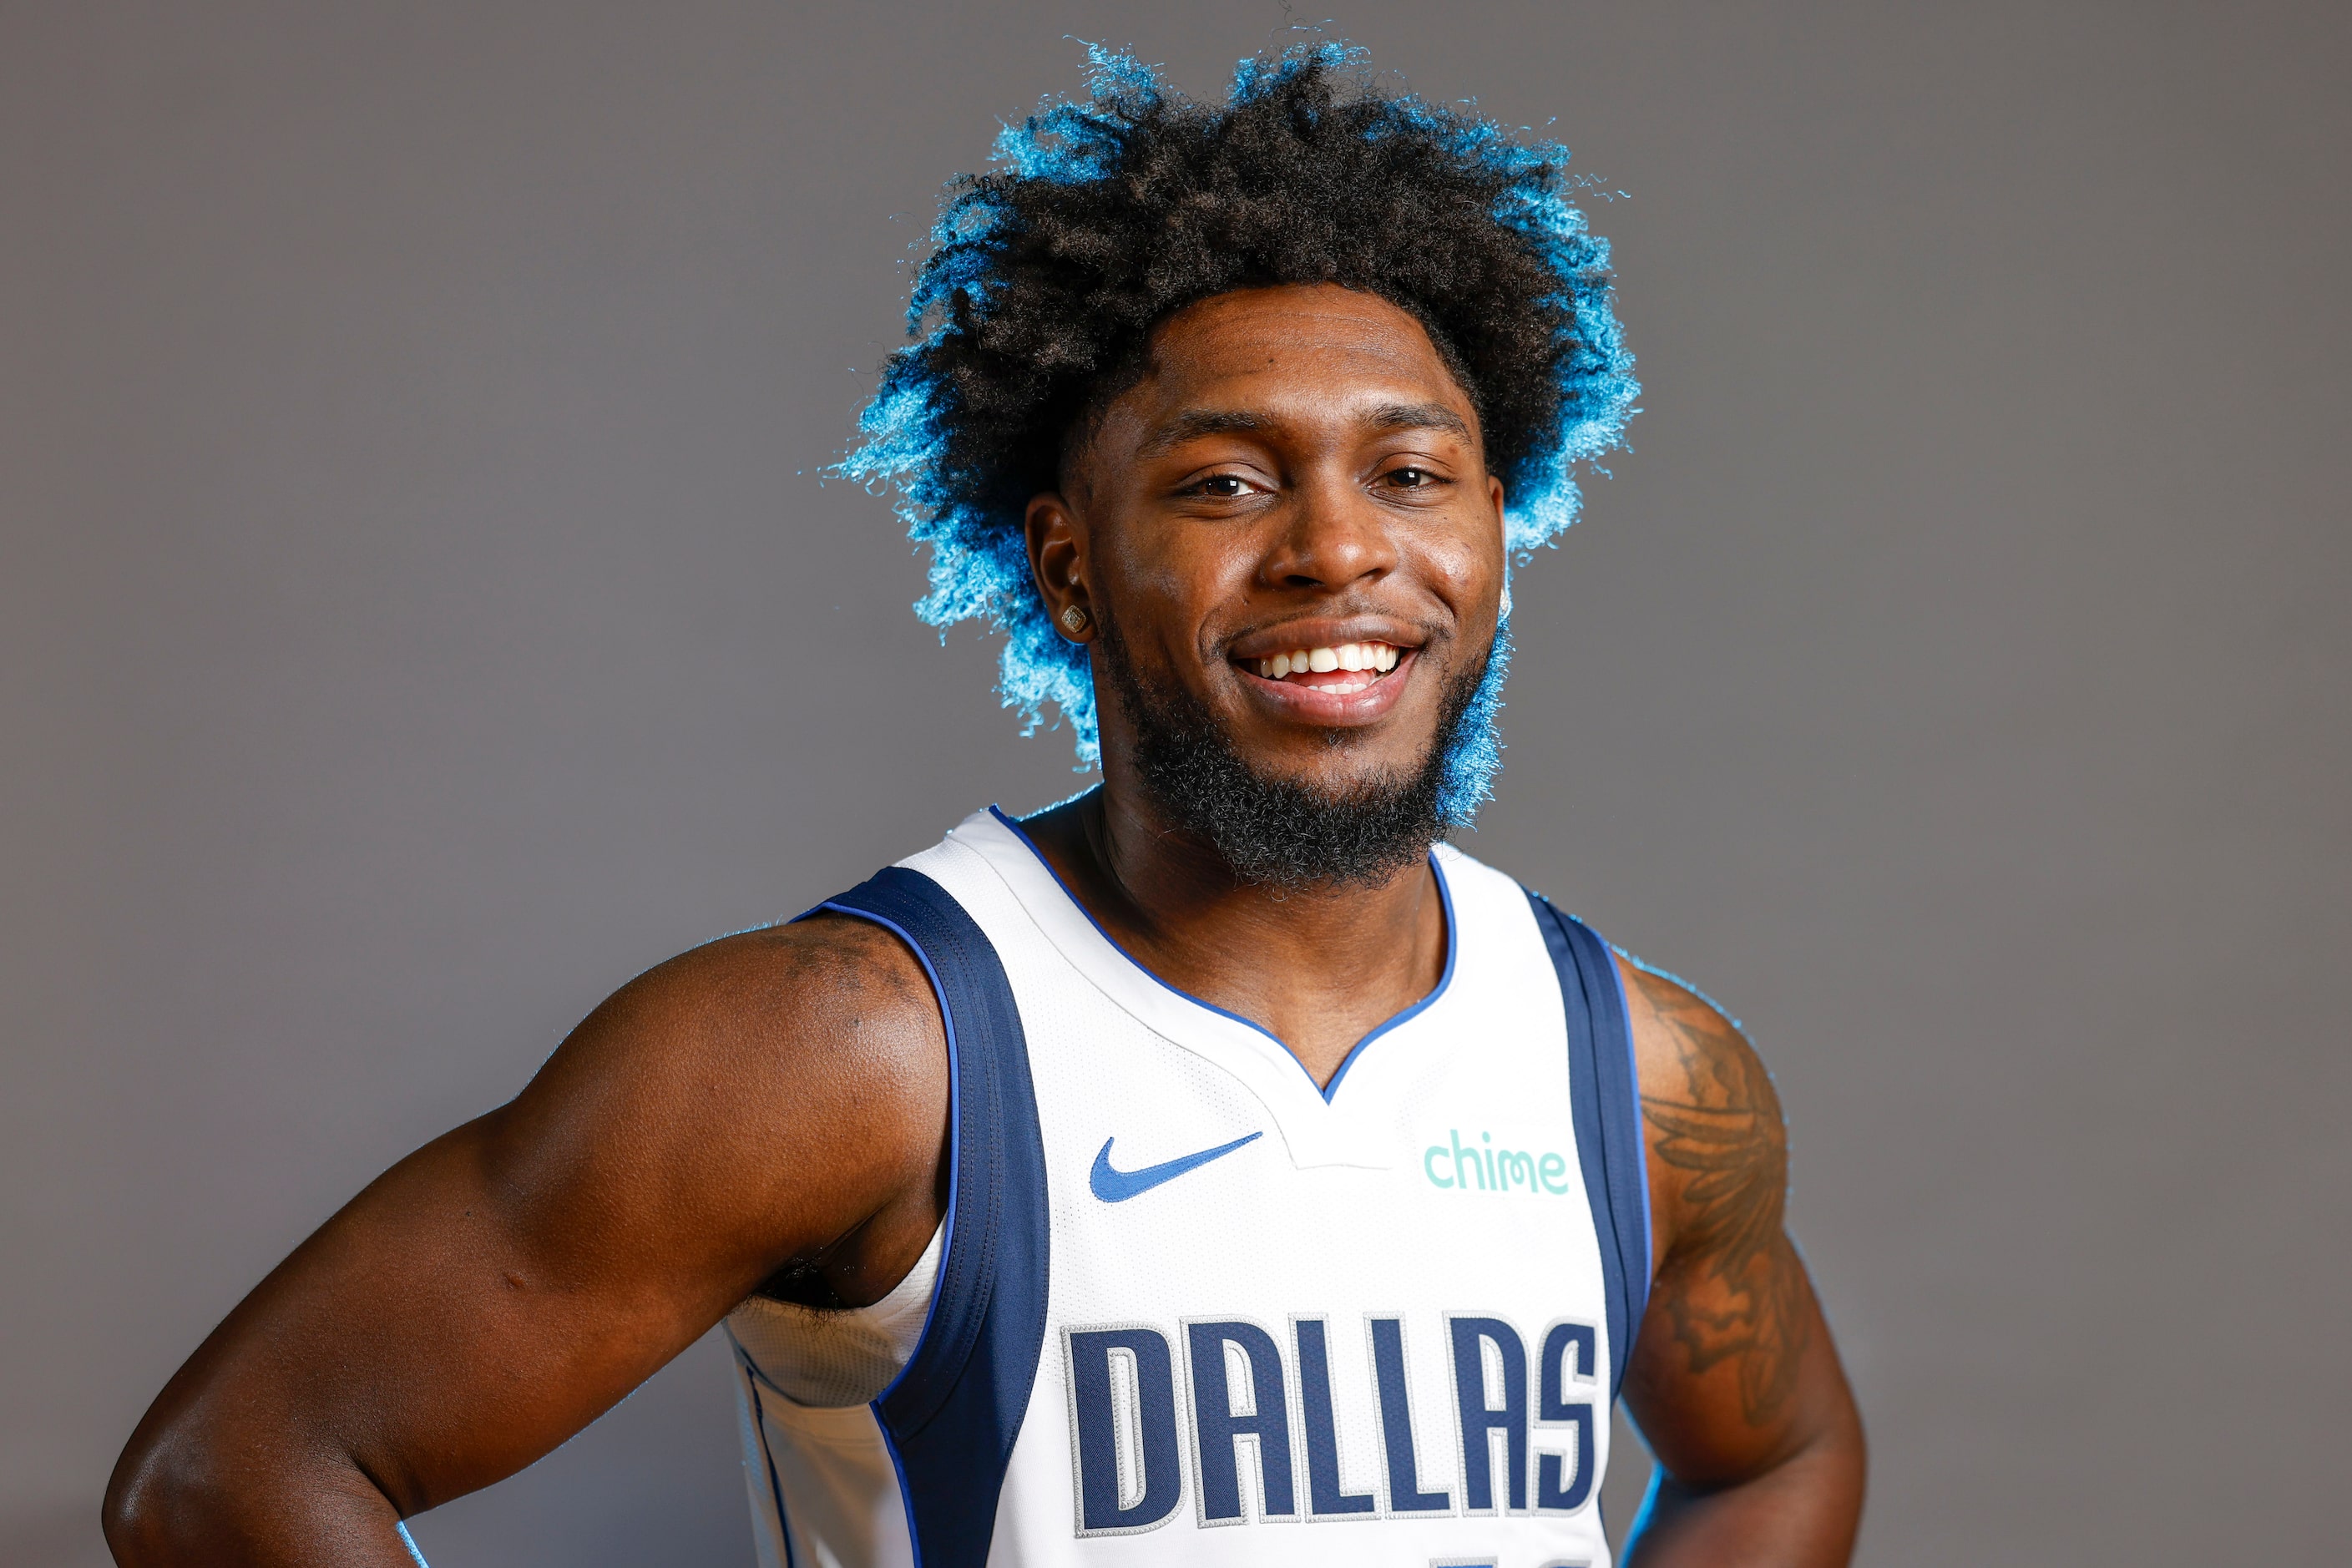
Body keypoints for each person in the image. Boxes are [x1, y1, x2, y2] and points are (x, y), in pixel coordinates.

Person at [104, 43, 1864, 1568]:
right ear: (1069, 565)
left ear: (1493, 527)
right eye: (1224, 482)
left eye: (1408, 475)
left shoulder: (1632, 1076)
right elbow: (229, 1472)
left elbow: (1777, 1455)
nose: (1337, 550)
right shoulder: (862, 1052)